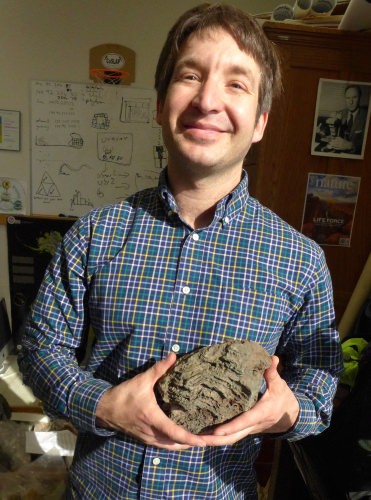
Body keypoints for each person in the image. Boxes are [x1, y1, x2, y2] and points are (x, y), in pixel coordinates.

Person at [19, 3, 343, 499]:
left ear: (259, 123)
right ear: (159, 104)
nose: (208, 99)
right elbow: (40, 348)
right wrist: (101, 403)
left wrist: (287, 411)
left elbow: (321, 385)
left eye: (236, 83)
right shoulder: (94, 234)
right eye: (190, 75)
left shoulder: (300, 261)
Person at [316, 84, 368, 155]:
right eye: (348, 98)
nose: (351, 102)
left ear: (360, 98)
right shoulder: (341, 113)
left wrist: (351, 145)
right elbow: (330, 129)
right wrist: (321, 132)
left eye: (354, 97)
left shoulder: (366, 116)